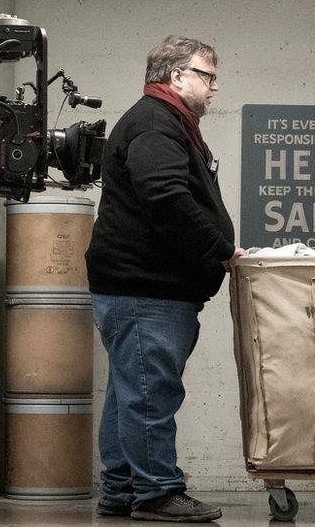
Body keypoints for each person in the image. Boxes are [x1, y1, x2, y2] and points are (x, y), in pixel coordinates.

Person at [84, 35, 245, 522]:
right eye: (207, 76)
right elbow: (167, 198)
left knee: (129, 391)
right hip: (146, 289)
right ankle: (156, 492)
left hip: (138, 288)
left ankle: (122, 487)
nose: (214, 87)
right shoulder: (156, 124)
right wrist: (219, 249)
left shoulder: (164, 122)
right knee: (151, 392)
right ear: (177, 76)